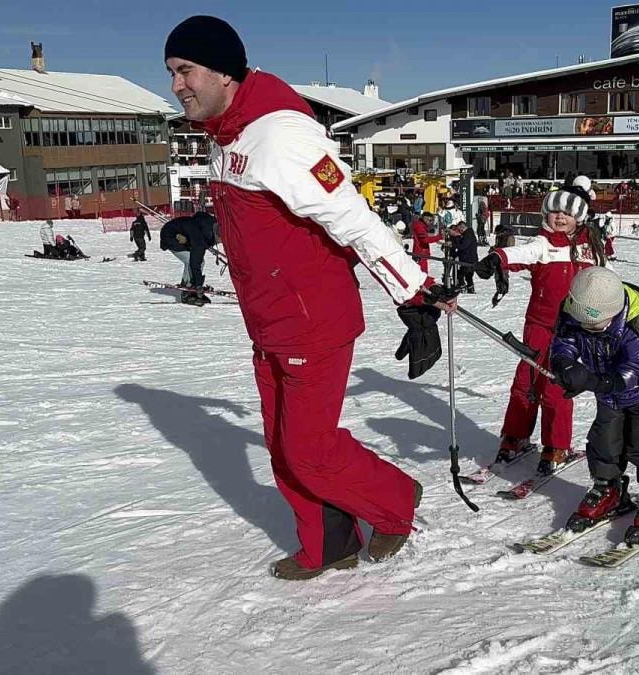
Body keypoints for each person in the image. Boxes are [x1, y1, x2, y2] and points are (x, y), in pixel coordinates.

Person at [165, 15, 454, 580]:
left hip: (312, 320)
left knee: (309, 450)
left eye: (186, 70)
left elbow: (353, 218)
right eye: (172, 72)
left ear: (223, 72)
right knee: (283, 445)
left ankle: (394, 498)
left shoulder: (281, 135)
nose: (177, 85)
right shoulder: (225, 135)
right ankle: (329, 545)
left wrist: (413, 291)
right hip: (269, 320)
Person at [473, 181, 605, 476]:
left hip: (573, 330)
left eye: (567, 213)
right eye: (555, 212)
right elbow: (523, 253)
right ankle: (515, 435)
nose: (560, 217)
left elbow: (606, 281)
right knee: (527, 380)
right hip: (539, 326)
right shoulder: (543, 244)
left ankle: (556, 445)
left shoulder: (589, 248)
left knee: (558, 385)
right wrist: (498, 258)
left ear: (578, 217)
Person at [548, 266, 639, 544]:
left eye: (594, 326)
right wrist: (564, 363)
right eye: (583, 324)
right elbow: (565, 340)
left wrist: (594, 380)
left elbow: (637, 369)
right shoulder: (574, 310)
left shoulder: (635, 325)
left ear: (613, 313)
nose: (587, 330)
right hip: (607, 391)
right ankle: (608, 488)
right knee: (604, 438)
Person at [159, 212, 216, 305]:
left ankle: (191, 286)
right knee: (190, 260)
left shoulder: (207, 227)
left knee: (198, 261)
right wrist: (198, 285)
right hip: (170, 236)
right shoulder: (199, 235)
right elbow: (195, 262)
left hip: (181, 235)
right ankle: (187, 289)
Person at [449, 221, 478, 293]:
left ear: (462, 227)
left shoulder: (468, 234)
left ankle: (463, 287)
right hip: (468, 258)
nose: (459, 232)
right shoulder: (467, 234)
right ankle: (470, 289)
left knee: (460, 275)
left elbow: (463, 246)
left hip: (469, 259)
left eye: (459, 230)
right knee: (468, 275)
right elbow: (462, 248)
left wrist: (456, 237)